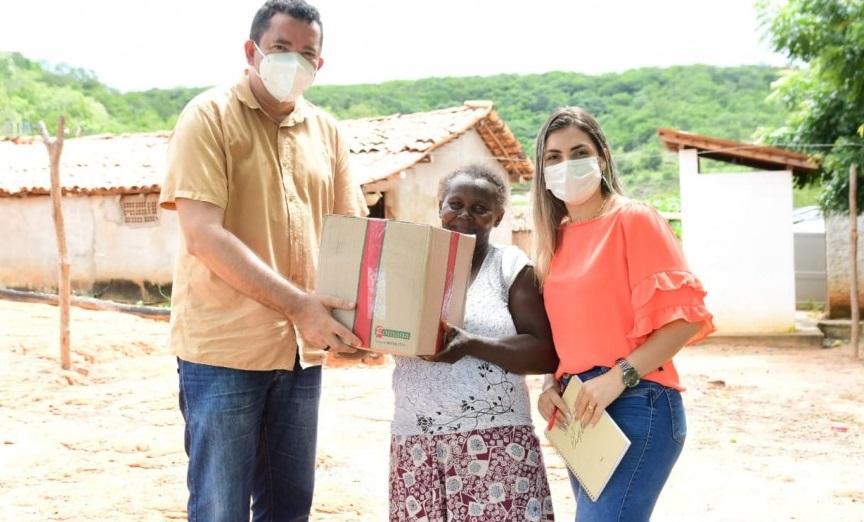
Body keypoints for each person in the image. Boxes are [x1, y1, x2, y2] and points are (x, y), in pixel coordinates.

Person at [158, 1, 367, 520]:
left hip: (301, 351)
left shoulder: (328, 132)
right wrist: (300, 306)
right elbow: (202, 235)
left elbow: (354, 235)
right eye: (281, 48)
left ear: (320, 65)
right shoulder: (208, 117)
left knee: (289, 506)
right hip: (223, 350)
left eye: (307, 53)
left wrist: (366, 322)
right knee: (221, 506)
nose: (294, 61)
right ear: (252, 52)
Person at [531, 107, 716, 521]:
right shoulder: (552, 240)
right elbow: (562, 332)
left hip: (636, 400)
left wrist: (617, 378)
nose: (566, 165)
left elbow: (686, 320)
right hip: (579, 410)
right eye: (554, 157)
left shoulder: (634, 219)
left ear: (602, 158)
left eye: (579, 152)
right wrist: (549, 383)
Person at [388, 164, 559, 522]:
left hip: (497, 444)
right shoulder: (407, 269)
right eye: (455, 204)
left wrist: (470, 344)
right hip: (417, 444)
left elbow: (544, 353)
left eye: (480, 209)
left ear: (498, 217)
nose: (465, 215)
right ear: (440, 206)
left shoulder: (510, 266)